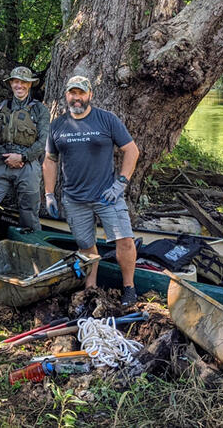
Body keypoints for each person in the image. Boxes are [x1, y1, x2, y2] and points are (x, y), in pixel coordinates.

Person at [42, 75, 140, 306]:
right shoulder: (57, 125)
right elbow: (50, 160)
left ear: (90, 95)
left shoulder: (107, 119)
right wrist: (49, 194)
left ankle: (129, 289)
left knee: (125, 240)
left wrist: (120, 184)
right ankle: (90, 290)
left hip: (108, 196)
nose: (77, 98)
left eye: (81, 93)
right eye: (72, 93)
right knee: (86, 246)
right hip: (75, 199)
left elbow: (132, 150)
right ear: (66, 95)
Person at [0, 66, 49, 247]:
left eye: (24, 82)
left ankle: (32, 252)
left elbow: (42, 141)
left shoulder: (40, 110)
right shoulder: (0, 108)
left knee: (29, 214)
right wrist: (5, 156)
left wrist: (22, 157)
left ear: (30, 85)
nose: (19, 85)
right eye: (16, 82)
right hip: (2, 163)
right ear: (11, 84)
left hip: (28, 165)